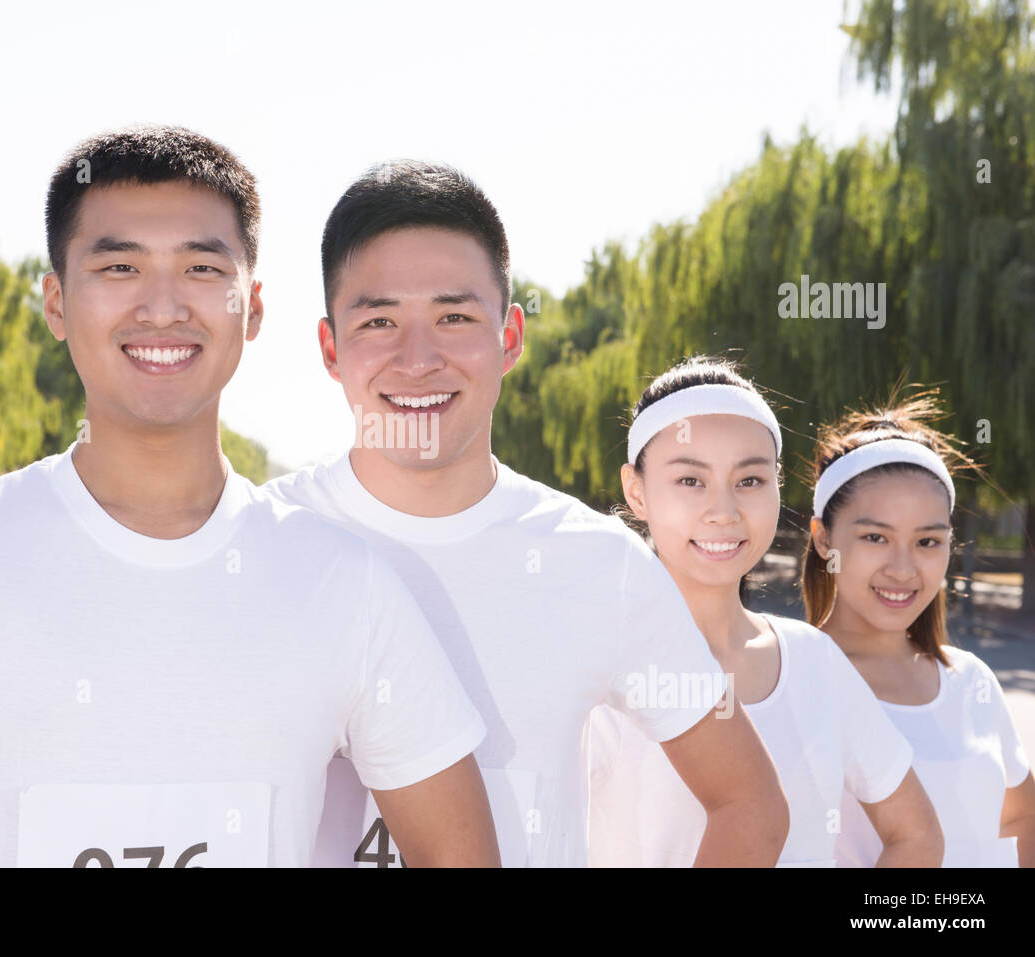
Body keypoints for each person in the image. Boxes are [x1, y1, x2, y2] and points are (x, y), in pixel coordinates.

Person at [0, 126, 499, 868]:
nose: (162, 308)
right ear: (57, 304)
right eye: (118, 268)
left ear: (253, 308)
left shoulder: (346, 584)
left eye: (202, 270)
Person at [265, 162, 789, 867]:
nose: (418, 359)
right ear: (331, 348)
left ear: (510, 336)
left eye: (455, 316)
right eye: (379, 320)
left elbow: (750, 805)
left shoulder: (599, 563)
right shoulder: (265, 541)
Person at [588, 356, 943, 867]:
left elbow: (917, 835)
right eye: (690, 481)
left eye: (750, 480)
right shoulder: (602, 671)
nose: (725, 510)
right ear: (636, 490)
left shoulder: (815, 660)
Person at [802, 393, 1035, 867]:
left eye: (928, 541)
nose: (904, 568)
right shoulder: (790, 676)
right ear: (824, 538)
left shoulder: (970, 681)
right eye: (875, 538)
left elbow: (1020, 817)